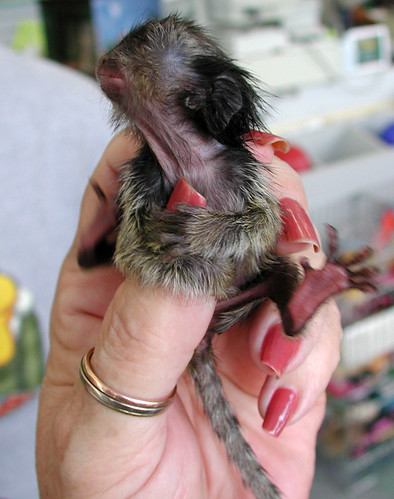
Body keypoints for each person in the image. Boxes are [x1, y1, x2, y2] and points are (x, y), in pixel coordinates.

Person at [36, 131, 342, 498]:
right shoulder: (135, 156)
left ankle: (299, 295)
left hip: (226, 322)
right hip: (194, 323)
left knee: (278, 268)